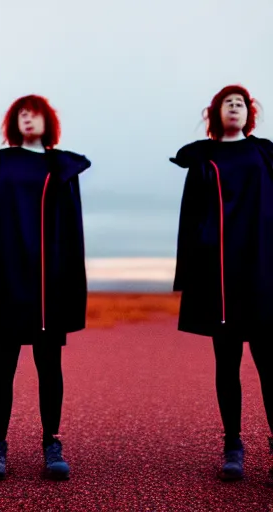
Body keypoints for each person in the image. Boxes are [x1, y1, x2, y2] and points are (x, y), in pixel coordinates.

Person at [0, 94, 91, 481]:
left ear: (47, 120)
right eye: (21, 113)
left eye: (34, 113)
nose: (27, 118)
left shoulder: (61, 165)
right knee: (3, 364)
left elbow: (73, 229)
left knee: (49, 365)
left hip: (50, 281)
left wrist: (71, 280)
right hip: (5, 275)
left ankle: (52, 443)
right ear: (12, 122)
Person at [170, 84, 273, 481]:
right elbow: (190, 216)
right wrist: (190, 273)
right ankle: (233, 446)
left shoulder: (266, 152)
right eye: (228, 103)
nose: (235, 107)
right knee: (227, 365)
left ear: (250, 114)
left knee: (270, 365)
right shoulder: (204, 157)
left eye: (242, 103)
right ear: (216, 113)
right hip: (221, 277)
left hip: (264, 272)